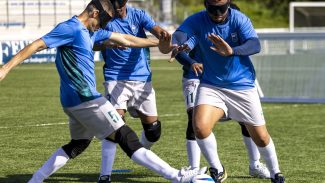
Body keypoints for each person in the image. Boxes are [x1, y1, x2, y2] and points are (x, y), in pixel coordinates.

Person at [0, 0, 206, 182]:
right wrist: (5, 68)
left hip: (72, 102)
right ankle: (177, 177)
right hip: (86, 99)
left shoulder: (90, 30)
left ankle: (35, 180)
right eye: (101, 24)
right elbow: (36, 45)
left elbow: (126, 39)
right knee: (127, 137)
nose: (100, 29)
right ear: (94, 14)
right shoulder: (70, 28)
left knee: (78, 144)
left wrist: (158, 42)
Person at [171, 0, 285, 182]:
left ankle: (275, 172)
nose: (217, 13)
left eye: (222, 9)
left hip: (242, 86)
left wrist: (232, 50)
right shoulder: (197, 20)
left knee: (261, 137)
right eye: (212, 9)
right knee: (199, 126)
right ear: (205, 5)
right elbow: (179, 35)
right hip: (211, 85)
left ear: (228, 4)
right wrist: (177, 45)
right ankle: (217, 168)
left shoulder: (240, 19)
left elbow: (255, 45)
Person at [95, 1, 171, 182]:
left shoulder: (139, 15)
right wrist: (107, 43)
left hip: (142, 78)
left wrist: (163, 35)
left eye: (120, 3)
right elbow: (92, 43)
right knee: (114, 125)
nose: (117, 7)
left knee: (153, 131)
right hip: (115, 78)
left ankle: (142, 153)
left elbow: (158, 32)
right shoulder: (104, 19)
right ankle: (104, 175)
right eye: (114, 3)